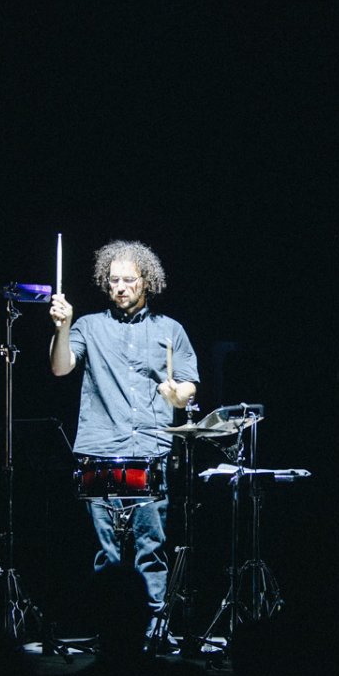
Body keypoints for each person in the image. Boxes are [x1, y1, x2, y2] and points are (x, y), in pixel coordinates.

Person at [49, 240, 198, 651]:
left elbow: (188, 386)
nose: (120, 287)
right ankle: (110, 631)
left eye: (128, 280)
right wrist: (62, 327)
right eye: (113, 280)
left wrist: (178, 394)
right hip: (100, 449)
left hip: (150, 449)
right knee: (107, 551)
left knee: (151, 547)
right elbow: (60, 368)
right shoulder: (89, 326)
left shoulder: (170, 330)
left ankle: (153, 632)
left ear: (145, 281)